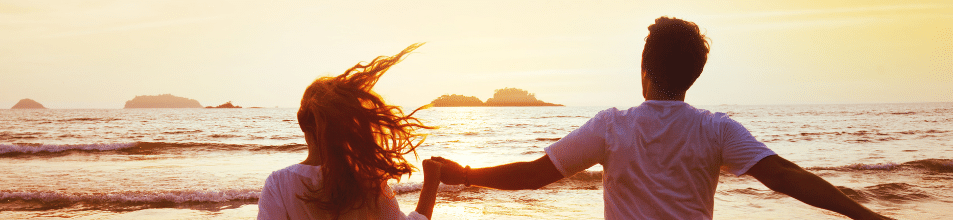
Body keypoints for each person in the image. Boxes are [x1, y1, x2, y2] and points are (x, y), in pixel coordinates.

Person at [431, 17, 891, 219]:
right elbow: (785, 176)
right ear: (693, 76)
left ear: (645, 71)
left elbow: (535, 174)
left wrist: (466, 175)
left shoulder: (611, 126)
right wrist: (864, 216)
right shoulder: (717, 129)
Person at [258, 43, 442, 220]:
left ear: (302, 124)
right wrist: (432, 181)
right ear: (348, 127)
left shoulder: (280, 184)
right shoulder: (368, 184)